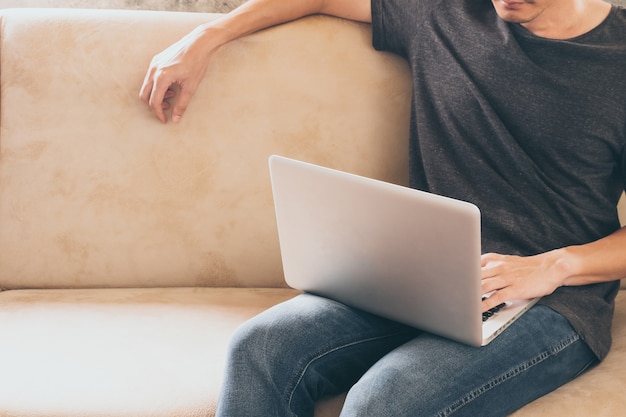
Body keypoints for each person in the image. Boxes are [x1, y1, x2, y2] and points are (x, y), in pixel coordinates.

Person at [140, 0, 626, 415]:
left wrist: (556, 266)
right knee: (260, 348)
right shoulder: (443, 13)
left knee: (384, 401)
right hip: (423, 278)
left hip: (552, 299)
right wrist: (206, 36)